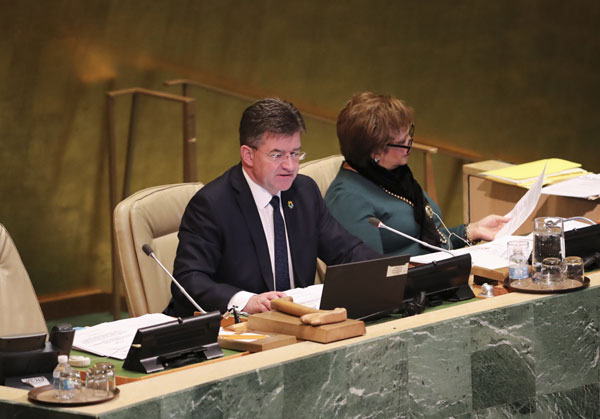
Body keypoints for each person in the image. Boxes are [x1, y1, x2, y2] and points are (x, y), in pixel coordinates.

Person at [164, 98, 380, 317]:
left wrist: (391, 272)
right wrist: (246, 301)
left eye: (295, 153)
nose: (290, 166)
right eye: (277, 155)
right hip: (238, 326)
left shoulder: (304, 192)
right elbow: (188, 281)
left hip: (297, 321)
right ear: (248, 155)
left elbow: (346, 252)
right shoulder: (212, 204)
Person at [324, 92, 509, 257]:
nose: (410, 144)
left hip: (433, 272)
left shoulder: (396, 176)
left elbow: (432, 240)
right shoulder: (347, 199)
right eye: (402, 142)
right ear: (376, 153)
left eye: (409, 135)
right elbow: (373, 272)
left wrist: (473, 230)